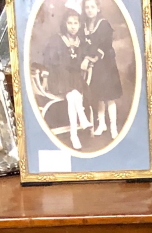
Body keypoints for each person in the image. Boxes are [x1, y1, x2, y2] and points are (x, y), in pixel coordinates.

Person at [46, 11, 92, 149]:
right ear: (65, 24)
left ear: (80, 25)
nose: (73, 26)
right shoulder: (57, 39)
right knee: (74, 94)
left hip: (74, 79)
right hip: (58, 78)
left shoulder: (81, 42)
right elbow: (52, 61)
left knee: (73, 97)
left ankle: (74, 135)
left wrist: (86, 58)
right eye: (70, 23)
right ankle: (82, 119)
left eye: (76, 23)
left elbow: (90, 54)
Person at [82, 0, 123, 140]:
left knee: (109, 97)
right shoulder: (85, 26)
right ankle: (102, 124)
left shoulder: (104, 24)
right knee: (99, 96)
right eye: (87, 7)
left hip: (106, 65)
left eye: (92, 7)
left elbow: (105, 45)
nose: (89, 10)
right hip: (96, 67)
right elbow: (85, 45)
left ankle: (113, 127)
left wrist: (91, 57)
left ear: (98, 8)